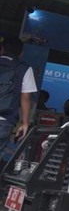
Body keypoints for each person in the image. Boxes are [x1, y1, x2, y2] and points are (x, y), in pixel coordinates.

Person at [0, 37, 37, 166]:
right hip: (4, 120)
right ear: (21, 53)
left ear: (2, 49)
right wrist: (25, 122)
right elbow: (26, 98)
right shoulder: (24, 68)